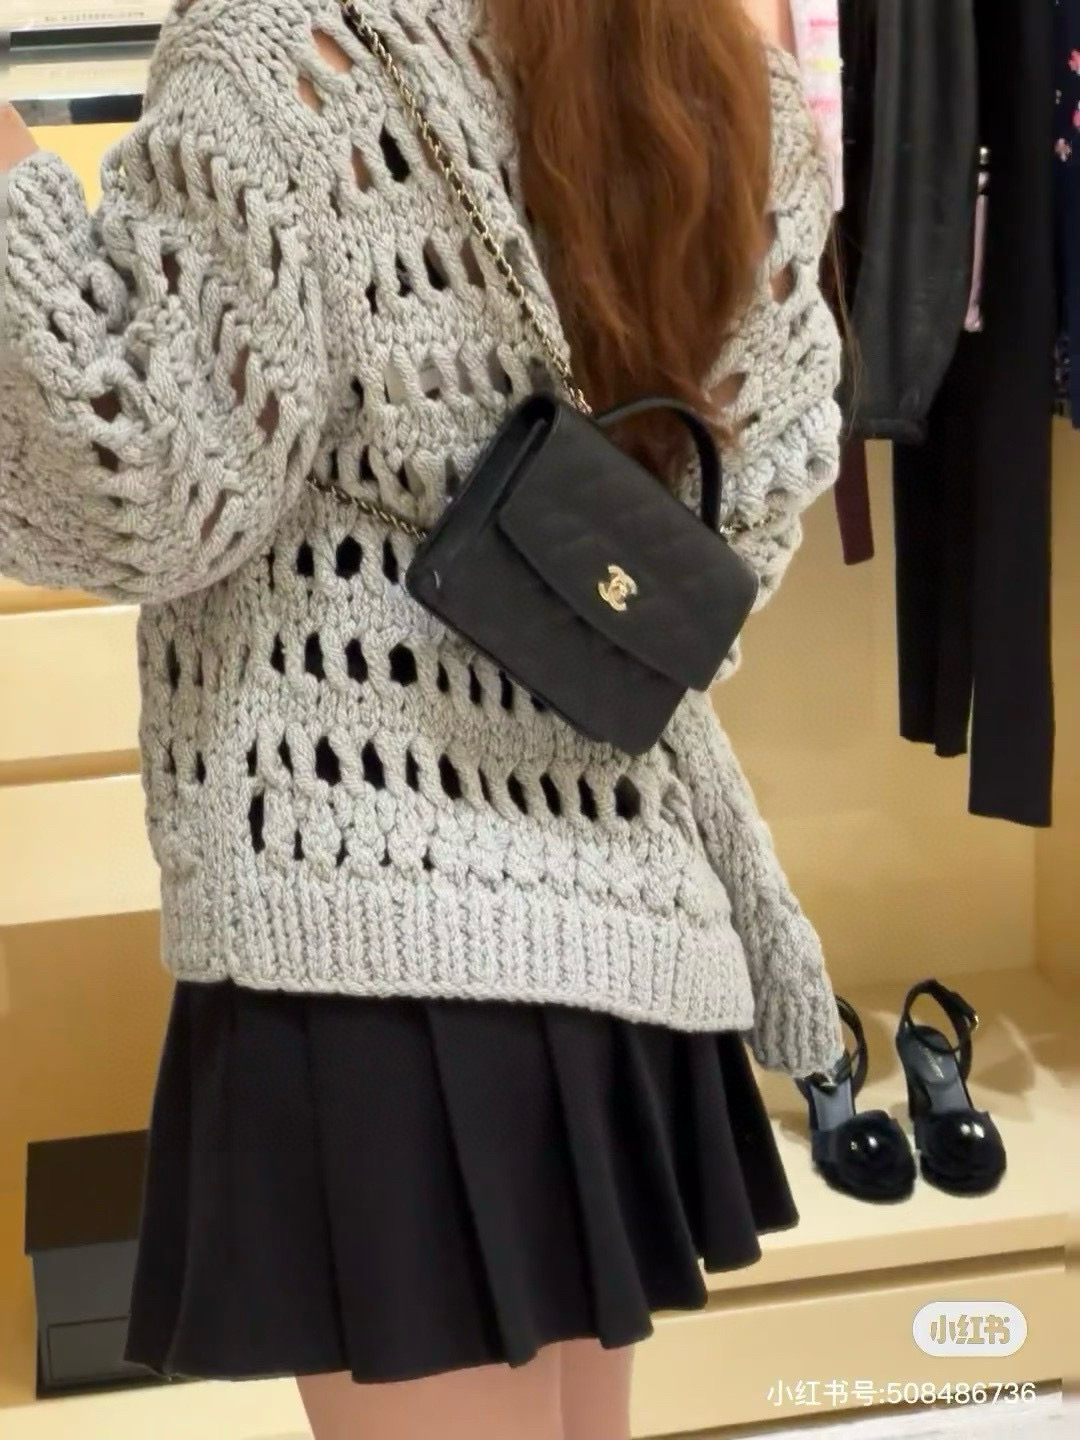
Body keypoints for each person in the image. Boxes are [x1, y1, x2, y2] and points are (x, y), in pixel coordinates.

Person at [0, 0, 843, 1435]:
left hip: (367, 930)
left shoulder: (284, 58)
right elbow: (745, 512)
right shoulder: (714, 75)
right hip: (624, 928)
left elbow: (137, 479)